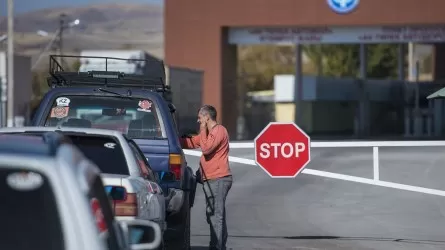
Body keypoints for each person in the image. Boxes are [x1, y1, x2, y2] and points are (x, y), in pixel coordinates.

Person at [180, 105, 232, 250]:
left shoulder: (219, 131)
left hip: (219, 178)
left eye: (200, 118)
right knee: (214, 215)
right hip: (211, 179)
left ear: (207, 117)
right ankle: (217, 245)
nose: (198, 121)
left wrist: (203, 129)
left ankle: (218, 247)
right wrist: (173, 140)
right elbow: (193, 142)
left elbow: (206, 148)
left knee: (216, 216)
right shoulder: (208, 133)